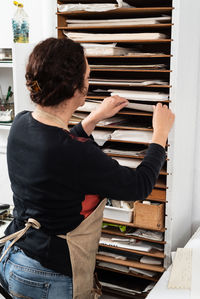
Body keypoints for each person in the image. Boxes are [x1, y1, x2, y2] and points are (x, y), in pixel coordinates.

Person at [0, 37, 174, 299]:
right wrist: (160, 134)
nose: (89, 81)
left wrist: (92, 119)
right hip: (48, 276)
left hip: (13, 258)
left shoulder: (21, 125)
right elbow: (139, 185)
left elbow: (55, 151)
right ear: (75, 87)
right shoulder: (77, 153)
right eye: (88, 74)